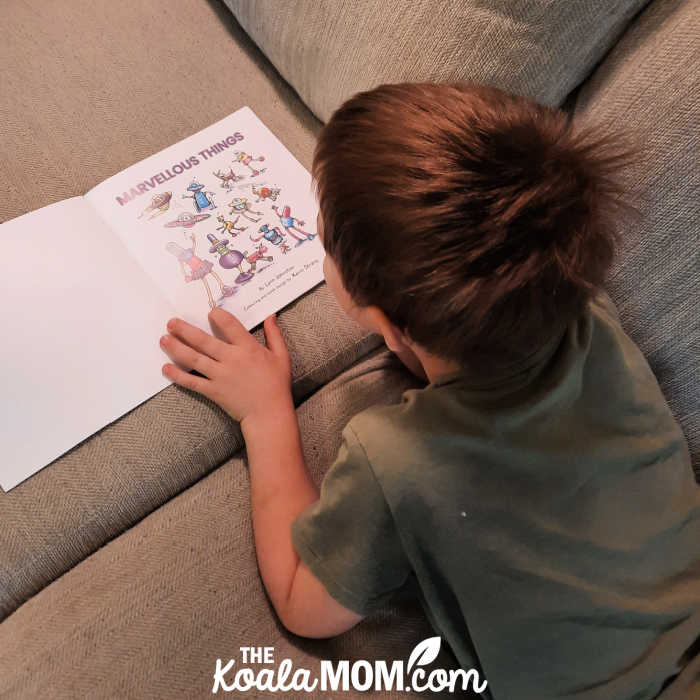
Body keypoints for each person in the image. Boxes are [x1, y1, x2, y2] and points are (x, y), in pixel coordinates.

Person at [158, 82, 700, 699]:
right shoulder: (592, 317)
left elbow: (303, 603)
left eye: (323, 228)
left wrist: (265, 414)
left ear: (387, 322)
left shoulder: (397, 456)